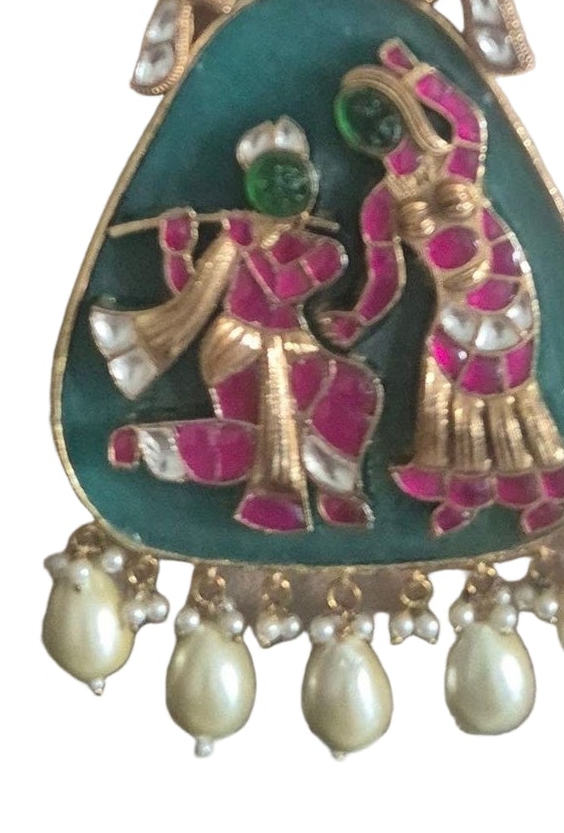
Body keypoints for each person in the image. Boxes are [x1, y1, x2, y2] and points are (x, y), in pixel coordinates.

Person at [321, 40, 564, 537]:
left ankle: (544, 489)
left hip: (505, 293)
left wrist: (412, 70)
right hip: (454, 306)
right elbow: (386, 277)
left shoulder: (455, 160)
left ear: (401, 106)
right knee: (448, 391)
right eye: (358, 123)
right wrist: (356, 319)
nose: (375, 128)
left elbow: (467, 118)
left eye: (380, 111)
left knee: (510, 390)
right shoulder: (380, 204)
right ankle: (465, 495)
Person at [91, 118, 382, 532]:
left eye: (294, 182)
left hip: (295, 345)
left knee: (354, 388)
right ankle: (157, 445)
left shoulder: (326, 250)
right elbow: (194, 292)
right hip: (237, 345)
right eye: (272, 184)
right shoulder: (236, 240)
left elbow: (284, 288)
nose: (284, 191)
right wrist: (177, 248)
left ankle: (334, 488)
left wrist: (250, 246)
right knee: (255, 432)